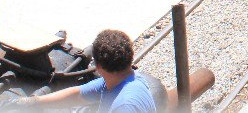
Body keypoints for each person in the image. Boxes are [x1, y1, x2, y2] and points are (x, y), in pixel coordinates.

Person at [15, 29, 155, 111]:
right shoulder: (125, 79)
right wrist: (33, 101)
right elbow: (78, 94)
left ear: (98, 67)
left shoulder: (125, 106)